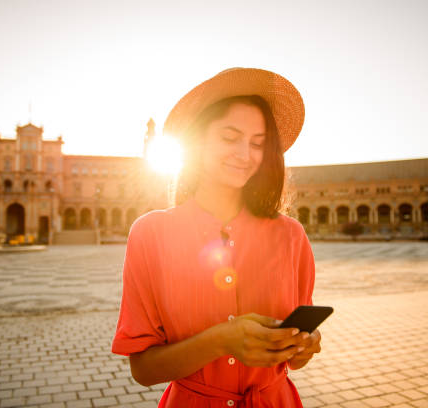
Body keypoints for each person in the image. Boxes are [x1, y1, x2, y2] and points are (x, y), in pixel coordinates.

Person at [111, 67, 320, 407]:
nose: (244, 154)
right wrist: (221, 340)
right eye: (229, 137)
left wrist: (304, 346)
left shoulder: (290, 235)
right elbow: (143, 369)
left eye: (258, 143)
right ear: (197, 140)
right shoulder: (151, 234)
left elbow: (295, 356)